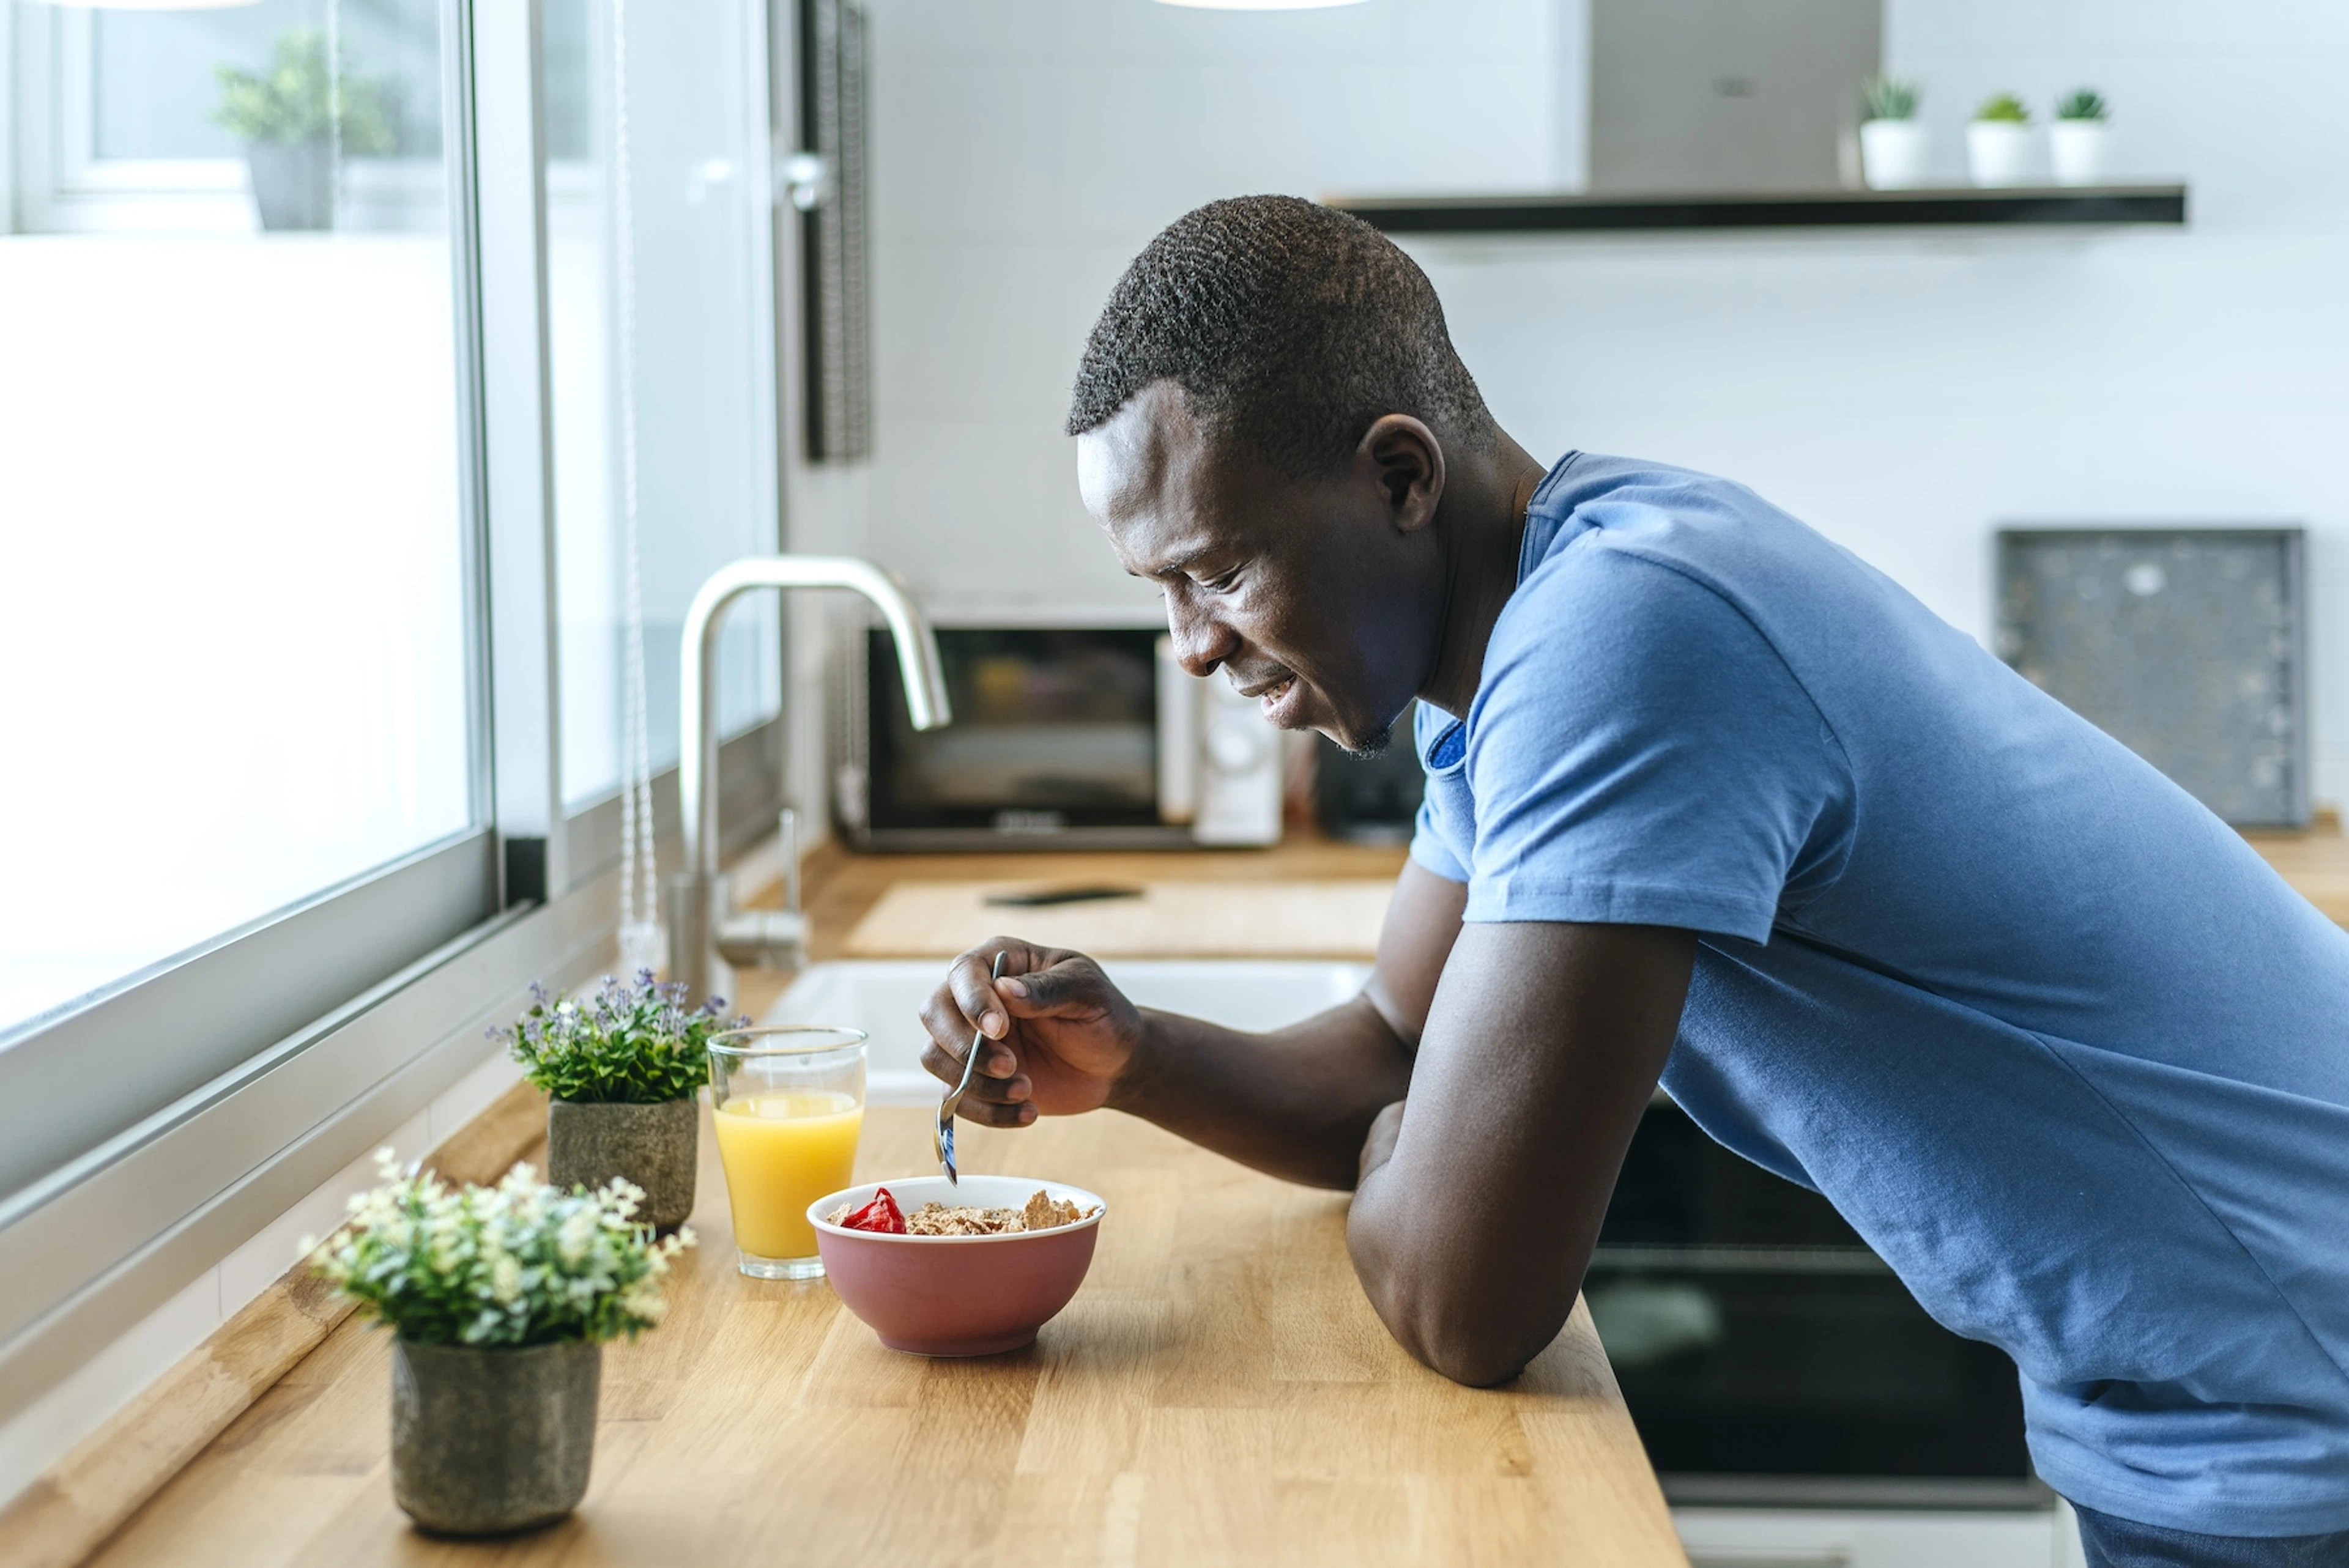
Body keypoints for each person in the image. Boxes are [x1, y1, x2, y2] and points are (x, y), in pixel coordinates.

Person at [915, 194, 2349, 1566]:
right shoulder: (1527, 644)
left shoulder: (1622, 638)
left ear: (1402, 477)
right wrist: (1140, 1058)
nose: (1191, 645)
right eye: (1157, 591)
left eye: (1217, 571)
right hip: (2221, 1389)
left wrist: (1423, 1154)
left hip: (2294, 1389)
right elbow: (1400, 1053)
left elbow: (1464, 1297)